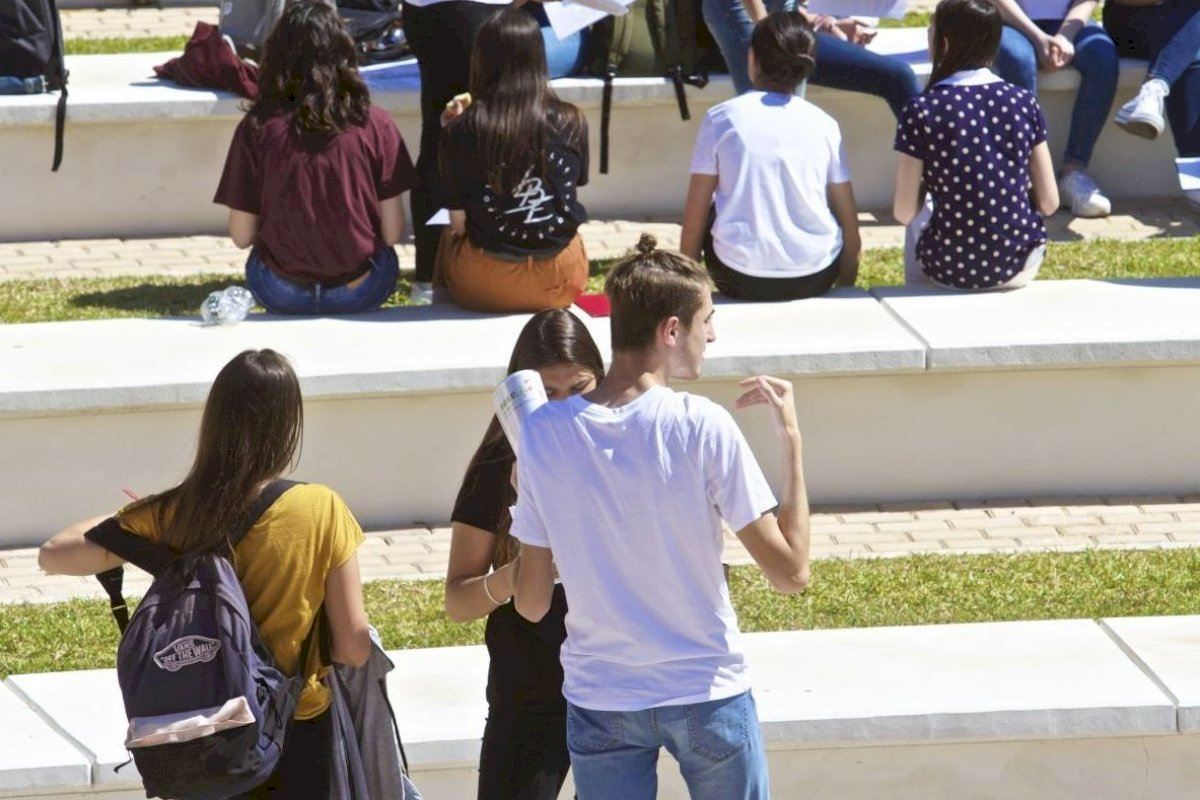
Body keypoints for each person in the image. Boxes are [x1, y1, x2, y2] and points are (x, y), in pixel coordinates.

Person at [510, 235, 812, 800]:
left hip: (601, 698)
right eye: (707, 320)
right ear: (671, 330)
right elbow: (791, 573)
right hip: (706, 690)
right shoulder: (702, 424)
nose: (712, 335)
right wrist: (791, 440)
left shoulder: (541, 435)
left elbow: (531, 604)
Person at [38, 349, 372, 796]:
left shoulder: (176, 511)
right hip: (296, 729)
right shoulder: (322, 507)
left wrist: (130, 520)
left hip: (206, 734)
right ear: (288, 424)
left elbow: (54, 554)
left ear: (215, 421)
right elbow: (353, 646)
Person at [445, 308, 605, 800]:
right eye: (548, 393)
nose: (564, 407)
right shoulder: (499, 465)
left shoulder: (623, 448)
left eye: (579, 389)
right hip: (528, 684)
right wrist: (515, 576)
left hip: (614, 680)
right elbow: (457, 601)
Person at [214, 1, 417, 316]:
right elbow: (392, 232)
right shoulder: (376, 124)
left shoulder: (257, 127)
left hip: (280, 290)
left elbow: (241, 236)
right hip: (362, 289)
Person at [681, 12, 861, 301]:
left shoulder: (721, 118)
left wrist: (686, 291)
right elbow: (849, 222)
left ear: (753, 59)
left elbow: (695, 215)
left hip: (739, 276)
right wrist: (846, 285)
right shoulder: (825, 124)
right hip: (816, 274)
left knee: (715, 209)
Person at [893, 0, 1059, 290]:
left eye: (931, 31)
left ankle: (917, 294)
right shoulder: (1023, 102)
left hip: (947, 269)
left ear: (944, 43)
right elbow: (1049, 202)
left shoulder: (921, 109)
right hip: (1019, 264)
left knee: (923, 214)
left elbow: (904, 211)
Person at [437, 8, 591, 313]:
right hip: (560, 281)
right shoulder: (571, 119)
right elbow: (570, 189)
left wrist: (451, 132)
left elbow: (459, 224)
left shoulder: (462, 130)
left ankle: (438, 305)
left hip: (484, 285)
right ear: (539, 58)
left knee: (446, 229)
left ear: (481, 60)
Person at [402, 0, 508, 305]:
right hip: (465, 13)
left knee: (440, 143)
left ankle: (430, 277)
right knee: (466, 143)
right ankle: (448, 273)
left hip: (433, 14)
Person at [990, 0, 1118, 217]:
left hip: (1071, 23)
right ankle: (1029, 180)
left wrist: (1064, 37)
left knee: (1103, 59)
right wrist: (1038, 37)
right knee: (1018, 60)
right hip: (1007, 20)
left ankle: (1073, 172)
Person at [702, 0, 921, 118]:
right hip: (741, 15)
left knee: (899, 77)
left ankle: (935, 175)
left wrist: (822, 21)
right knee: (776, 121)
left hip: (782, 21)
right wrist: (772, 30)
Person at [1104, 0, 1200, 210]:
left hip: (1182, 29)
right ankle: (1195, 170)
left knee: (1191, 37)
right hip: (1130, 23)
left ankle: (1154, 88)